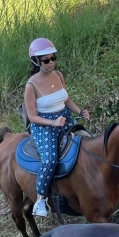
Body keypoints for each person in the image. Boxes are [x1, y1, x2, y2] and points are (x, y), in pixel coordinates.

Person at [23, 38, 89, 218]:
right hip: (44, 125)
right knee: (50, 160)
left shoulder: (59, 75)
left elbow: (66, 99)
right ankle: (40, 199)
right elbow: (32, 116)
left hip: (64, 117)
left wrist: (80, 111)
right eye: (46, 60)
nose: (51, 62)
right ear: (36, 61)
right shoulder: (31, 85)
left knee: (88, 140)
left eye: (53, 58)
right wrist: (53, 123)